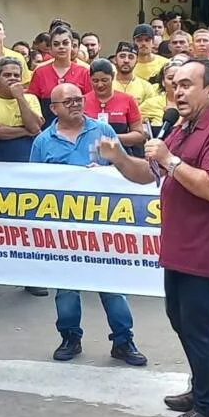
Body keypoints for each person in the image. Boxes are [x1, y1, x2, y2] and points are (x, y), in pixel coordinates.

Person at [99, 59, 209, 417]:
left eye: (187, 85)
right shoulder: (182, 126)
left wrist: (170, 159)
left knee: (200, 327)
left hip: (208, 250)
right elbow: (146, 173)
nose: (177, 92)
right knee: (180, 320)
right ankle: (201, 388)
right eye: (175, 85)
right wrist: (119, 158)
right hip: (180, 247)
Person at [30, 82, 147, 365]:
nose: (75, 104)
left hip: (102, 224)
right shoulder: (43, 142)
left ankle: (123, 340)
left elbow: (124, 168)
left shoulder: (103, 131)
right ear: (53, 108)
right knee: (67, 287)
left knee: (111, 286)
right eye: (67, 101)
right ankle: (70, 337)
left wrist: (105, 171)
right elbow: (32, 184)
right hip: (63, 227)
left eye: (78, 99)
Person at [0, 57, 46, 298]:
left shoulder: (31, 99)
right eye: (7, 75)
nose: (13, 79)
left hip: (26, 171)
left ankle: (30, 277)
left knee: (26, 226)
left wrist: (20, 99)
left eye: (17, 75)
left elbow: (35, 128)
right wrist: (24, 131)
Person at [28, 26, 91, 125]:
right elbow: (32, 103)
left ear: (72, 46)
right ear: (51, 48)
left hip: (78, 129)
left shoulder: (84, 72)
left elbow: (90, 104)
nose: (61, 47)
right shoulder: (40, 72)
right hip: (47, 130)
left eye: (65, 43)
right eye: (56, 44)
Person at [84, 59, 146, 155]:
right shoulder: (82, 101)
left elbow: (139, 135)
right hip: (89, 154)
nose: (100, 85)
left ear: (112, 77)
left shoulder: (127, 100)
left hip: (121, 155)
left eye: (104, 80)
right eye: (95, 81)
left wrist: (113, 138)